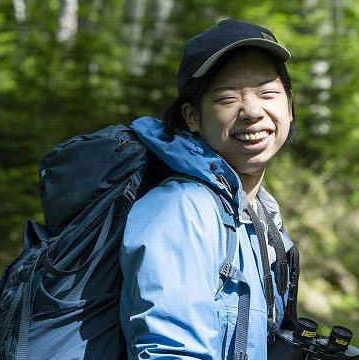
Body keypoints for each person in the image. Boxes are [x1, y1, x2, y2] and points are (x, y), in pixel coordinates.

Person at [119, 19, 296, 359]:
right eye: (228, 98)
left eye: (268, 93)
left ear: (288, 104)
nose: (253, 111)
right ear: (191, 117)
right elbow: (171, 352)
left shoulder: (260, 213)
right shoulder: (182, 208)